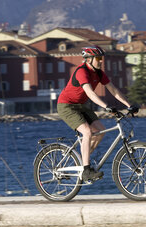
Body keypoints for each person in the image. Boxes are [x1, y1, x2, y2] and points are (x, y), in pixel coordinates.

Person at [57, 45, 138, 181]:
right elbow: (90, 92)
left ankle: (83, 163)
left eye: (101, 58)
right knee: (87, 132)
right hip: (66, 106)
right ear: (88, 60)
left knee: (101, 131)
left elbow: (113, 90)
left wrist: (129, 105)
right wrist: (106, 106)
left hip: (81, 106)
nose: (101, 61)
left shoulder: (99, 73)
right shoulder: (82, 72)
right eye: (98, 58)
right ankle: (87, 170)